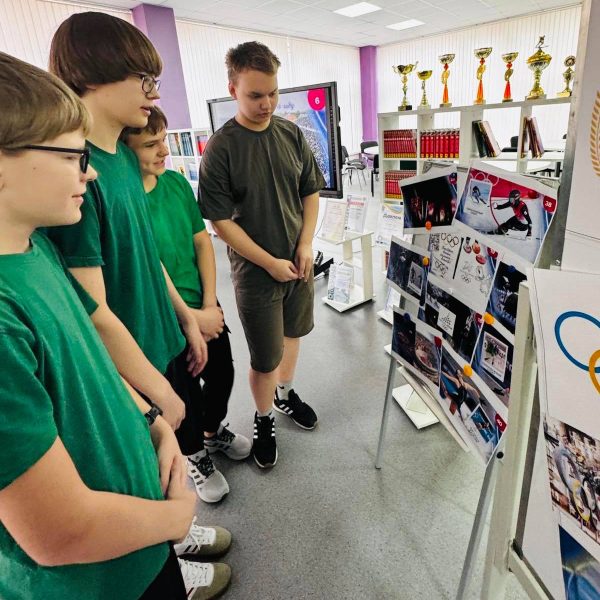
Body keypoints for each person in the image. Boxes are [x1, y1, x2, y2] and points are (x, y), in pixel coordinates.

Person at [0, 51, 231, 600]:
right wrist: (175, 518)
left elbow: (91, 357)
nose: (91, 171)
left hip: (139, 537)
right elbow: (60, 532)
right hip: (98, 579)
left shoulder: (35, 250)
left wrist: (149, 416)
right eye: (70, 156)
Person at [45, 13, 233, 505]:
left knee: (182, 446)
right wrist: (158, 392)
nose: (155, 94)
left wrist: (186, 318)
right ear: (91, 76)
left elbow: (147, 257)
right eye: (145, 79)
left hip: (163, 337)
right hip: (130, 366)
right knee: (152, 477)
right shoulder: (78, 176)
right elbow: (93, 312)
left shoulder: (125, 160)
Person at [198, 41, 325, 468]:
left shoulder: (290, 134)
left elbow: (310, 192)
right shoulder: (221, 148)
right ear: (233, 89)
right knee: (265, 356)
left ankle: (285, 395)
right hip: (256, 273)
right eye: (255, 95)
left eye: (273, 93)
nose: (267, 103)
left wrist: (305, 243)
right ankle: (264, 415)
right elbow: (220, 222)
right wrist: (269, 262)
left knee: (293, 335)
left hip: (298, 262)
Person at [122, 106, 251, 500]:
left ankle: (211, 433)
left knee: (223, 374)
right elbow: (148, 270)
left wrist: (210, 306)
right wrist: (191, 318)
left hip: (203, 305)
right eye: (151, 144)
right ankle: (195, 453)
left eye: (163, 140)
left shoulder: (176, 184)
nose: (164, 150)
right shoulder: (126, 202)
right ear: (124, 150)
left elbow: (201, 243)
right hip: (165, 319)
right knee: (184, 394)